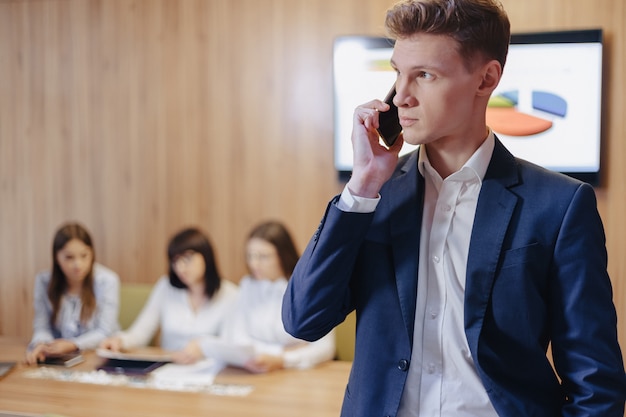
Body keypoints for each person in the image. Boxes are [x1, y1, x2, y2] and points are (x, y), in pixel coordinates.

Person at [282, 0, 626, 416]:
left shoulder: (559, 205)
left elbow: (595, 384)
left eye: (424, 75)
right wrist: (363, 186)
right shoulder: (373, 197)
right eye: (397, 74)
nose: (401, 97)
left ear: (486, 79)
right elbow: (304, 320)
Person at [100, 227, 238, 364]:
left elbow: (232, 343)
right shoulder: (165, 287)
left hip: (211, 371)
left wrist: (204, 345)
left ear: (206, 257)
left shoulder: (230, 294)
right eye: (175, 261)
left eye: (187, 259)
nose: (180, 268)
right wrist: (119, 340)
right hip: (169, 368)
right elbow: (141, 332)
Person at [214, 220, 335, 373]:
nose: (254, 264)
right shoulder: (248, 285)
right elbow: (237, 338)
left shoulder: (309, 288)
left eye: (263, 257)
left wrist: (282, 360)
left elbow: (325, 348)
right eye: (250, 256)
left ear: (283, 255)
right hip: (258, 370)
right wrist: (282, 351)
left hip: (302, 374)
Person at [26, 222, 120, 365]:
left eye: (84, 255)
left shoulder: (107, 281)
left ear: (92, 254)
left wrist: (73, 344)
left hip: (97, 357)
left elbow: (105, 331)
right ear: (56, 257)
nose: (78, 265)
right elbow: (41, 326)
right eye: (69, 257)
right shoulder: (44, 281)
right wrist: (43, 345)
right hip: (59, 359)